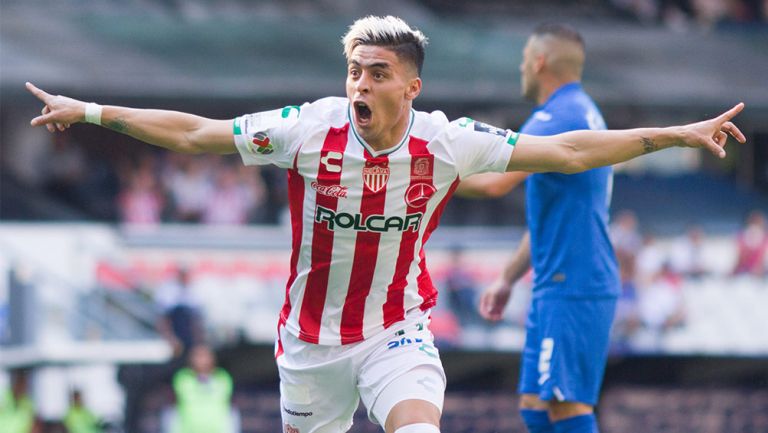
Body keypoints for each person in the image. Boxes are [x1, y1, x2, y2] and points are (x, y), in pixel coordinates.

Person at [25, 15, 744, 433]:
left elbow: (569, 149)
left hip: (396, 329)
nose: (359, 85)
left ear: (411, 85)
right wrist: (91, 112)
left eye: (374, 73)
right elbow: (194, 133)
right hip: (308, 344)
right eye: (353, 72)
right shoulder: (307, 129)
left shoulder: (444, 140)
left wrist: (679, 134)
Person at [456, 24, 636, 433]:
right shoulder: (583, 110)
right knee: (536, 407)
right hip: (559, 282)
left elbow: (494, 182)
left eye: (523, 59)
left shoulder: (557, 116)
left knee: (565, 409)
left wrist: (418, 174)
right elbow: (553, 215)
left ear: (539, 63)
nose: (521, 67)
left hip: (575, 284)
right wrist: (507, 277)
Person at [171, 345, 235, 433]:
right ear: (191, 359)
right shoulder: (182, 378)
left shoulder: (222, 378)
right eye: (197, 356)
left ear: (212, 358)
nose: (201, 360)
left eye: (204, 356)